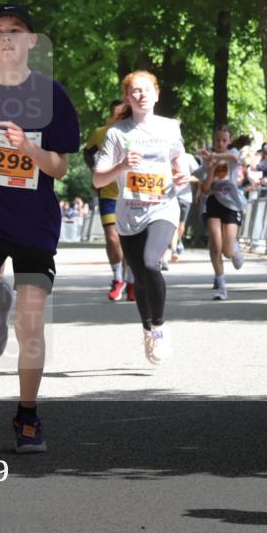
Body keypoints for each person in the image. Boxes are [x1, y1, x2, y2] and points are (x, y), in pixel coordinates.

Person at [0, 4, 80, 453]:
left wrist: (27, 148)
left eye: (16, 30)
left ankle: (28, 414)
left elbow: (59, 167)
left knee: (30, 326)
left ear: (31, 41)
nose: (6, 36)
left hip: (34, 221)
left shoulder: (51, 94)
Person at [93, 70, 190, 364]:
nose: (141, 94)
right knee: (139, 277)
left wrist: (182, 174)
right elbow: (98, 179)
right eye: (135, 90)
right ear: (127, 98)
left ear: (156, 95)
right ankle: (147, 329)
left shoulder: (170, 128)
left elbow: (179, 159)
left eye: (147, 89)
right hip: (129, 215)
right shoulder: (117, 133)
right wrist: (121, 166)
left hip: (163, 207)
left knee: (150, 263)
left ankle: (159, 327)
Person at [84, 100, 134, 301]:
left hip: (131, 194)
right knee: (113, 238)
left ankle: (131, 281)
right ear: (111, 114)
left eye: (124, 114)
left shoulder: (133, 132)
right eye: (117, 114)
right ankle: (117, 278)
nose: (120, 117)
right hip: (108, 193)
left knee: (129, 240)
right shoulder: (100, 133)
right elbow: (87, 153)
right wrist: (95, 172)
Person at [197, 125, 246, 301]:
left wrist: (215, 157)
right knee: (215, 246)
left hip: (232, 203)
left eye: (224, 140)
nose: (220, 143)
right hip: (213, 202)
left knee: (227, 250)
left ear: (229, 141)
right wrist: (210, 168)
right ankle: (222, 286)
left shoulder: (233, 154)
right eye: (217, 140)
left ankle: (234, 249)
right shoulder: (207, 159)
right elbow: (204, 188)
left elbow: (234, 157)